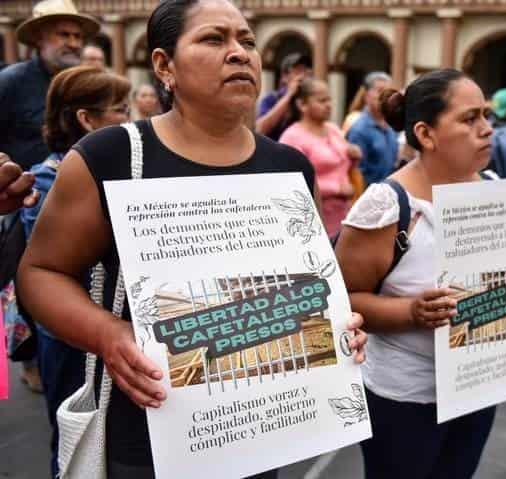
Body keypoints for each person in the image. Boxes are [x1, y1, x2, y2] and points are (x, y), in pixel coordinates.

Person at [16, 1, 366, 478]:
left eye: (246, 41)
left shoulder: (288, 166)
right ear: (164, 66)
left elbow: (304, 285)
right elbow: (40, 272)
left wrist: (336, 328)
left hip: (267, 427)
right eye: (213, 39)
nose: (239, 53)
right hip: (150, 431)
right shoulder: (112, 156)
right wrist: (108, 334)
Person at [334, 68, 506, 479]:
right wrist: (412, 312)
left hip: (478, 385)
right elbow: (344, 302)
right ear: (426, 134)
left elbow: (500, 275)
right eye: (469, 119)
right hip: (404, 399)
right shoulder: (387, 207)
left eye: (485, 115)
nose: (488, 130)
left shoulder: (492, 186)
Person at [20, 65, 131, 478]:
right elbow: (55, 266)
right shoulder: (48, 179)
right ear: (87, 119)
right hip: (70, 336)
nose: (129, 118)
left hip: (105, 332)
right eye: (120, 108)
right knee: (77, 437)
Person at [0, 0, 99, 170]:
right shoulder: (11, 81)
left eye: (78, 36)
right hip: (27, 191)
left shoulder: (86, 84)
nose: (74, 44)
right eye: (64, 35)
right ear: (39, 38)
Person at [279, 77, 362, 236]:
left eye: (329, 99)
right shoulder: (292, 137)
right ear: (302, 105)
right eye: (321, 100)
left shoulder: (333, 129)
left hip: (343, 214)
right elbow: (290, 185)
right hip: (313, 218)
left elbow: (343, 166)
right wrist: (336, 189)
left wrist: (354, 157)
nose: (328, 105)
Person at [347, 71, 398, 187]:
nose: (385, 96)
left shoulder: (392, 126)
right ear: (366, 95)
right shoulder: (359, 129)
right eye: (380, 91)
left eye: (389, 92)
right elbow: (357, 173)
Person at [256, 52, 311, 140]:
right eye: (298, 71)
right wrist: (289, 95)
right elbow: (260, 129)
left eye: (306, 71)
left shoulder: (308, 100)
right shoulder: (271, 98)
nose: (303, 76)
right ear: (284, 77)